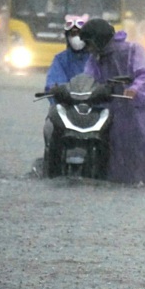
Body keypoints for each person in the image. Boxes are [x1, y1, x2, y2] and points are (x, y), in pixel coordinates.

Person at [77, 18, 145, 184]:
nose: (88, 48)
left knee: (143, 147)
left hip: (140, 111)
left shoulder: (134, 50)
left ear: (98, 40)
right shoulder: (96, 57)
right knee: (115, 147)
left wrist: (134, 90)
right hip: (112, 107)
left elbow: (144, 75)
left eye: (89, 43)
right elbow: (87, 78)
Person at [42, 14, 91, 176]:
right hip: (67, 109)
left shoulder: (96, 59)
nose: (76, 38)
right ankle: (52, 171)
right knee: (51, 128)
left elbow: (105, 80)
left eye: (80, 34)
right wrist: (55, 90)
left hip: (93, 109)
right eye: (72, 34)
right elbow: (52, 82)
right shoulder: (60, 60)